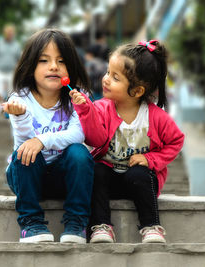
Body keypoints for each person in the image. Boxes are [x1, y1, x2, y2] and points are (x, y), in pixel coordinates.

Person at [70, 40, 184, 243]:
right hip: (108, 180)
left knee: (140, 173)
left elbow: (176, 141)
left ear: (137, 91)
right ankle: (101, 226)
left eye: (115, 77)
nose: (105, 79)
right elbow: (93, 138)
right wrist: (86, 111)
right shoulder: (101, 108)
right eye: (107, 73)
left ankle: (151, 226)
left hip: (138, 182)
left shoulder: (156, 117)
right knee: (96, 170)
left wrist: (151, 159)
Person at [2, 29, 94, 244]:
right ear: (31, 66)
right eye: (44, 60)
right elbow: (23, 143)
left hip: (66, 178)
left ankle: (76, 223)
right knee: (24, 152)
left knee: (79, 152)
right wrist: (21, 116)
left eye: (61, 61)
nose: (53, 66)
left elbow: (78, 134)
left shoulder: (78, 98)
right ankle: (31, 223)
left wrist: (42, 140)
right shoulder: (20, 98)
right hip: (28, 177)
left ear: (70, 67)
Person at [0, 23, 21, 116]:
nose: (10, 34)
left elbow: (19, 59)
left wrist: (17, 67)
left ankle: (7, 110)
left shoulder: (16, 45)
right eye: (8, 32)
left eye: (11, 33)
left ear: (13, 34)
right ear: (5, 33)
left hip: (11, 71)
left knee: (10, 93)